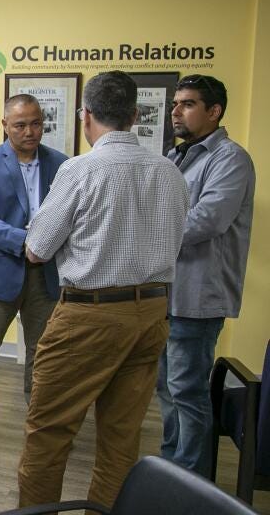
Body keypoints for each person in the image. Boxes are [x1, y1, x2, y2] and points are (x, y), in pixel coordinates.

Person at [17, 71, 189, 510]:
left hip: (89, 317)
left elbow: (37, 248)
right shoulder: (170, 172)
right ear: (135, 115)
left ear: (85, 115)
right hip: (151, 313)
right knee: (121, 439)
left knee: (49, 434)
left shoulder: (80, 169)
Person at [156, 75, 255, 477]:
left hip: (198, 298)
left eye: (188, 104)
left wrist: (149, 237)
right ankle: (169, 470)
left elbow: (206, 221)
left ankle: (191, 482)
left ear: (214, 112)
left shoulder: (230, 158)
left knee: (188, 392)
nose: (176, 111)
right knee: (166, 390)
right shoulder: (179, 156)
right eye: (176, 103)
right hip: (167, 294)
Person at [0, 94, 67, 454]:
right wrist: (28, 241)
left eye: (36, 123)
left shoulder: (63, 164)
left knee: (44, 353)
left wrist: (46, 244)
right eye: (21, 124)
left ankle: (39, 423)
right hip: (1, 272)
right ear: (5, 125)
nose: (30, 131)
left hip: (47, 275)